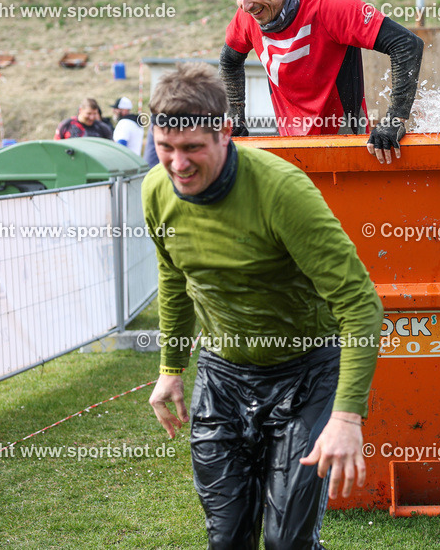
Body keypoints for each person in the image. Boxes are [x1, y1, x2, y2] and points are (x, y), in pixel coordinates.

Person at [142, 63, 382, 549]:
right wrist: (171, 368)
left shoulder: (282, 191)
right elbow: (174, 277)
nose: (178, 165)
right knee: (226, 539)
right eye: (165, 149)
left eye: (192, 149)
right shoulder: (156, 191)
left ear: (225, 132)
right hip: (223, 375)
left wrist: (347, 416)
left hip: (305, 375)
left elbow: (360, 304)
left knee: (285, 543)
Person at [219, 0, 424, 164]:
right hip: (293, 149)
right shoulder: (248, 17)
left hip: (345, 146)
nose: (245, 6)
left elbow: (407, 44)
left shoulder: (329, 6)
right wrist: (236, 118)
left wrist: (395, 119)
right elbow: (229, 61)